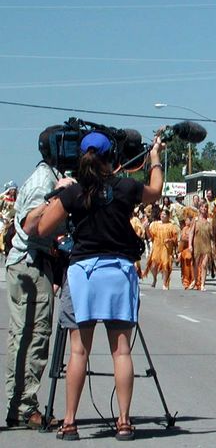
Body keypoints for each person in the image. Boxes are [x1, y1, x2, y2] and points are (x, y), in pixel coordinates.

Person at [36, 129, 166, 440]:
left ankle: (69, 422)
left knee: (78, 352)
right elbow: (156, 190)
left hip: (84, 274)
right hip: (118, 272)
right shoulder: (125, 187)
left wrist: (59, 194)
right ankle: (123, 421)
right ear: (112, 158)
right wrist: (155, 158)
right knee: (121, 351)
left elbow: (42, 227)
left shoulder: (73, 192)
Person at [5, 129, 75, 429]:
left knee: (33, 336)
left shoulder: (50, 174)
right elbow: (30, 224)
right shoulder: (45, 179)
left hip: (37, 263)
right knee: (32, 336)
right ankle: (24, 406)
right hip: (29, 265)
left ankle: (20, 404)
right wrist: (57, 197)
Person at [145, 208, 179, 290]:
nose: (162, 216)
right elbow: (150, 237)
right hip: (156, 247)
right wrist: (146, 229)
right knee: (153, 266)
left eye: (164, 214)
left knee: (165, 266)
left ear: (168, 216)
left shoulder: (171, 226)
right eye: (162, 214)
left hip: (166, 249)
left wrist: (170, 240)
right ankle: (154, 279)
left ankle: (164, 284)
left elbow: (175, 238)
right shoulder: (155, 224)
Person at [189, 200, 214, 291]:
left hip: (206, 244)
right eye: (202, 207)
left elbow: (212, 235)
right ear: (199, 208)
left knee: (204, 265)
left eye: (206, 207)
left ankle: (203, 284)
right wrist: (190, 245)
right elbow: (191, 233)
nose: (204, 209)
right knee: (195, 264)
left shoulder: (209, 220)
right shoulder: (195, 220)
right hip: (197, 244)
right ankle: (196, 281)